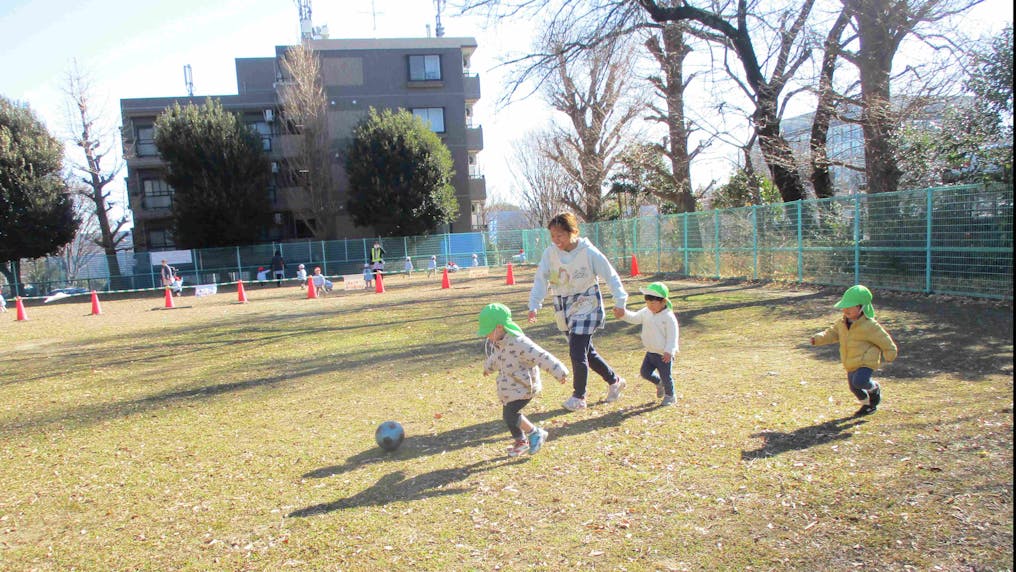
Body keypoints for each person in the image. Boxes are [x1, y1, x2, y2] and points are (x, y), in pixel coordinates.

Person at [528, 212, 629, 411]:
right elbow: (541, 279)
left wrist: (620, 300)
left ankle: (579, 396)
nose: (556, 241)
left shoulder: (588, 252)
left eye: (560, 236)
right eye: (553, 236)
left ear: (573, 232)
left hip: (587, 302)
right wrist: (534, 305)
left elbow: (611, 276)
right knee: (586, 353)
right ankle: (615, 381)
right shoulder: (550, 254)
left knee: (576, 350)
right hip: (563, 305)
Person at [479, 303, 569, 457]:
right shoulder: (500, 343)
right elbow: (496, 358)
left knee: (510, 414)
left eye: (488, 331)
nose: (486, 335)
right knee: (509, 415)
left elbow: (541, 356)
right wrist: (488, 367)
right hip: (509, 388)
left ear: (499, 327)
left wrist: (560, 372)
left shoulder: (520, 342)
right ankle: (521, 442)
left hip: (524, 386)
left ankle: (536, 433)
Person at [811, 285, 898, 417]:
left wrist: (890, 351)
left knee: (860, 381)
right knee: (854, 387)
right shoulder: (841, 323)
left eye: (850, 307)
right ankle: (868, 405)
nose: (845, 310)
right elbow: (831, 333)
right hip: (851, 360)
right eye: (844, 307)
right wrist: (818, 339)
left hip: (866, 361)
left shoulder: (870, 325)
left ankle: (874, 388)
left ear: (861, 307)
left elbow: (884, 339)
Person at [620, 282, 680, 406]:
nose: (650, 306)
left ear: (663, 302)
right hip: (650, 352)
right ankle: (659, 383)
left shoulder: (668, 317)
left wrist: (670, 351)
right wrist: (623, 314)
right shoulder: (646, 312)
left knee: (666, 376)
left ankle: (670, 396)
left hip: (663, 355)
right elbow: (634, 318)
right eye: (647, 302)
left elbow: (672, 336)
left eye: (653, 303)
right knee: (644, 373)